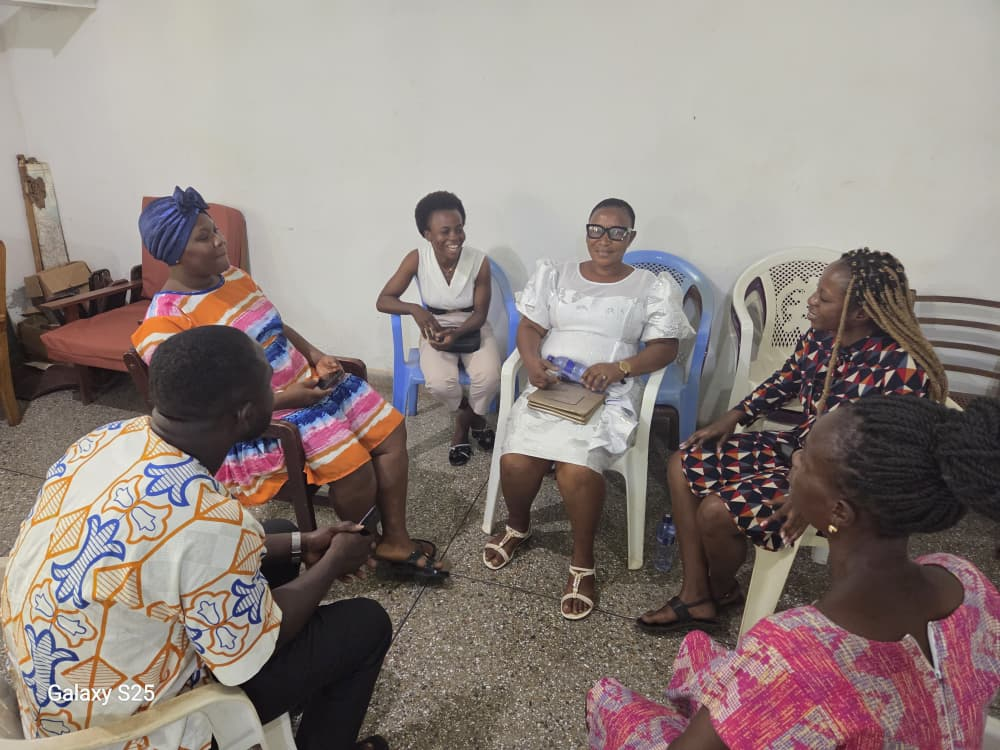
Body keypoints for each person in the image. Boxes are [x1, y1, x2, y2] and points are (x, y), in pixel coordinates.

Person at [1, 326, 393, 750]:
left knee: (281, 535)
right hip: (128, 728)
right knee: (365, 626)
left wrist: (305, 543)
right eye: (269, 385)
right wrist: (333, 562)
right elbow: (245, 655)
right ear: (246, 414)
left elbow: (179, 549)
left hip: (57, 700)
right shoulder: (210, 520)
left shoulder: (106, 439)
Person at [588, 395, 1000, 748]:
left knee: (609, 700)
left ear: (839, 511)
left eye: (807, 462)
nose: (795, 460)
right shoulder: (968, 582)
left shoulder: (791, 650)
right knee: (698, 651)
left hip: (794, 682)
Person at [131, 187, 446, 580]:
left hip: (307, 387)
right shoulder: (165, 322)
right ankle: (362, 546)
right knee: (354, 466)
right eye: (204, 237)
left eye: (215, 230)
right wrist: (282, 398)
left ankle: (394, 539)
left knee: (391, 430)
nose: (219, 240)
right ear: (175, 253)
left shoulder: (233, 277)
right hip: (261, 421)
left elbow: (275, 326)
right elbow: (201, 406)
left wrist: (314, 354)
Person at [638, 248, 948, 631]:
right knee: (683, 462)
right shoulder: (823, 335)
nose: (811, 301)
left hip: (843, 485)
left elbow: (887, 461)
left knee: (716, 512)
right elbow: (786, 380)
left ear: (860, 313)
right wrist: (734, 417)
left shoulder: (900, 369)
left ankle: (716, 592)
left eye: (824, 298)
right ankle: (696, 593)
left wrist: (813, 492)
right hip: (799, 451)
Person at [482, 198, 693, 620]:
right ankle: (518, 526)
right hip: (553, 385)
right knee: (516, 460)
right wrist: (533, 363)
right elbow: (530, 326)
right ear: (587, 232)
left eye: (617, 232)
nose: (605, 240)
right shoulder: (555, 273)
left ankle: (582, 561)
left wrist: (620, 368)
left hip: (608, 393)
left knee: (576, 470)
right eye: (596, 229)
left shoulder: (650, 286)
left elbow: (666, 347)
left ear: (630, 237)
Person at [376, 191, 502, 466]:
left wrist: (456, 334)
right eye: (445, 231)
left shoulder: (479, 261)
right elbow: (383, 300)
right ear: (427, 234)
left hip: (472, 325)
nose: (455, 237)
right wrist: (416, 309)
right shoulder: (417, 258)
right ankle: (472, 417)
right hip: (434, 324)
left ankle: (462, 426)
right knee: (439, 382)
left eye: (459, 229)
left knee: (490, 377)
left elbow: (480, 313)